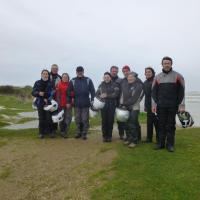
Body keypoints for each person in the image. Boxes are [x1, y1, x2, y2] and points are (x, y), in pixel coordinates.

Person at [152, 56, 185, 152]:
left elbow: (182, 92)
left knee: (171, 125)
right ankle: (160, 144)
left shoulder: (178, 76)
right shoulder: (157, 77)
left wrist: (181, 106)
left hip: (173, 105)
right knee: (161, 125)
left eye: (168, 63)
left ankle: (170, 145)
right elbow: (153, 92)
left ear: (171, 64)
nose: (166, 65)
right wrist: (154, 105)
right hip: (161, 106)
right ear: (162, 64)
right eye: (165, 63)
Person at [68, 66, 95, 140]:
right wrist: (71, 97)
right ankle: (78, 132)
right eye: (78, 71)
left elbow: (92, 91)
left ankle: (84, 133)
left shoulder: (88, 80)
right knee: (77, 119)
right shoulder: (72, 80)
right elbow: (69, 91)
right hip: (76, 104)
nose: (80, 72)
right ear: (76, 72)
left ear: (83, 72)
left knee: (85, 119)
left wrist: (92, 100)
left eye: (81, 71)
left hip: (86, 103)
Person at [119, 72, 144, 148]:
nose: (130, 78)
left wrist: (125, 104)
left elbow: (135, 98)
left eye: (131, 77)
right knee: (126, 124)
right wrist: (121, 104)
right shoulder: (124, 85)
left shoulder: (138, 86)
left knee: (132, 124)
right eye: (129, 77)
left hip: (134, 107)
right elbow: (122, 96)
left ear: (135, 78)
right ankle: (129, 138)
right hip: (125, 107)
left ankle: (134, 140)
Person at [96, 72, 119, 142]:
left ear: (110, 78)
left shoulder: (115, 85)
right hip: (103, 106)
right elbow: (96, 94)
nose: (106, 78)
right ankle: (104, 136)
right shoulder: (101, 85)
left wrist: (107, 95)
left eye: (108, 77)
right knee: (104, 121)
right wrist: (100, 96)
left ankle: (109, 136)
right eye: (105, 77)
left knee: (110, 121)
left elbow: (116, 94)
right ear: (103, 78)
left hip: (112, 105)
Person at [32, 69, 54, 139]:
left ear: (48, 75)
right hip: (40, 102)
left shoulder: (51, 83)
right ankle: (41, 133)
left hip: (49, 103)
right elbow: (33, 92)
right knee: (41, 118)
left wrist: (47, 99)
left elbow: (53, 93)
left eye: (46, 74)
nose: (45, 75)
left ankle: (50, 132)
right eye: (44, 74)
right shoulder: (37, 82)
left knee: (49, 118)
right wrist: (38, 93)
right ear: (41, 74)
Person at [143, 67, 159, 143]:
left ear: (152, 73)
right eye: (146, 72)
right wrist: (145, 106)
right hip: (148, 105)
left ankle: (159, 139)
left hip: (156, 105)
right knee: (149, 123)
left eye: (149, 72)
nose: (148, 73)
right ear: (145, 74)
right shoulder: (145, 83)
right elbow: (146, 96)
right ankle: (149, 138)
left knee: (157, 123)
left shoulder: (156, 81)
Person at [56, 73, 73, 138]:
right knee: (61, 118)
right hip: (61, 104)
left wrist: (70, 102)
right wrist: (58, 104)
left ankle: (66, 131)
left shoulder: (70, 84)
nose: (65, 78)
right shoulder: (59, 85)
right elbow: (57, 96)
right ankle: (62, 131)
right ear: (62, 78)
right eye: (63, 77)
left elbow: (73, 94)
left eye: (66, 77)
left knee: (68, 118)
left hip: (69, 104)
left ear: (68, 78)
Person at [110, 66, 124, 140]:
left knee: (120, 120)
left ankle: (121, 134)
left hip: (119, 103)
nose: (114, 72)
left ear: (117, 72)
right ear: (110, 71)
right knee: (110, 120)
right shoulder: (107, 79)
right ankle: (109, 135)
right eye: (113, 71)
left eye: (115, 71)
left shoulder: (121, 80)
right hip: (110, 103)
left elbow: (123, 91)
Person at [49, 64, 62, 136]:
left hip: (56, 98)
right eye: (53, 68)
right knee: (48, 115)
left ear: (58, 70)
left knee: (55, 115)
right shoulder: (47, 75)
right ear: (51, 69)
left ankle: (54, 130)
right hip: (48, 98)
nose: (54, 70)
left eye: (56, 69)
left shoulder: (60, 77)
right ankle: (48, 129)